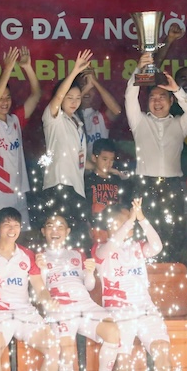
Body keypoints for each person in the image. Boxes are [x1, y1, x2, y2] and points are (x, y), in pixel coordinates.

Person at [126, 52, 187, 264]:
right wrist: (138, 70)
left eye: (162, 97)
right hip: (144, 185)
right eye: (152, 98)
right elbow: (130, 97)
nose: (157, 102)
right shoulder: (139, 121)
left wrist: (176, 89)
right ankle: (145, 273)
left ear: (171, 100)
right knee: (144, 231)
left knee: (172, 232)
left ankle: (169, 272)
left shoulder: (179, 124)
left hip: (172, 186)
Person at [0, 207, 60, 371]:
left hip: (25, 312)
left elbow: (40, 289)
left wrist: (47, 300)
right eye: (7, 225)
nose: (12, 230)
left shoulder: (28, 255)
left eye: (16, 225)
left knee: (53, 348)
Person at [93, 199, 172, 371]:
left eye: (132, 219)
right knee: (124, 361)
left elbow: (157, 246)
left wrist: (142, 219)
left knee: (162, 350)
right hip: (118, 310)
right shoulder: (100, 249)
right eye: (127, 219)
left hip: (145, 308)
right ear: (112, 223)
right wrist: (129, 222)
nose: (132, 222)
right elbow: (111, 245)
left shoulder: (137, 246)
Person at [37, 214, 121, 371]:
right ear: (43, 231)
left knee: (113, 331)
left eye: (60, 227)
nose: (55, 231)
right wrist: (42, 269)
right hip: (60, 308)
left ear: (67, 231)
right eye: (50, 226)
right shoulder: (39, 257)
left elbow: (89, 286)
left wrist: (89, 272)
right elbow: (39, 288)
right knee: (67, 353)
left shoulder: (77, 254)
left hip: (85, 305)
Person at [0, 46, 41, 240]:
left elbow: (36, 95)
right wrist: (7, 69)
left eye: (8, 97)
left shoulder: (15, 119)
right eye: (0, 98)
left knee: (20, 236)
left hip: (19, 188)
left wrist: (27, 67)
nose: (4, 102)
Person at [38, 49, 94, 250]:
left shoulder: (77, 122)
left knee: (78, 243)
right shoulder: (54, 119)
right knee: (57, 241)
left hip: (77, 189)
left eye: (78, 98)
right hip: (58, 186)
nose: (74, 101)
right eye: (69, 97)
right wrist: (75, 71)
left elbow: (79, 158)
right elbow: (59, 97)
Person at [79, 67, 122, 157]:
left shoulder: (100, 116)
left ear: (95, 91)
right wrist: (89, 86)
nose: (87, 92)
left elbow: (116, 111)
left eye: (91, 88)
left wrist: (95, 82)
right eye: (83, 87)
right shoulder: (71, 117)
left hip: (99, 164)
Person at [85, 138, 128, 218]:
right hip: (95, 223)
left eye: (111, 160)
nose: (108, 163)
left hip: (115, 222)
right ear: (94, 158)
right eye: (104, 159)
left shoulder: (117, 180)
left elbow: (121, 204)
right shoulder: (87, 181)